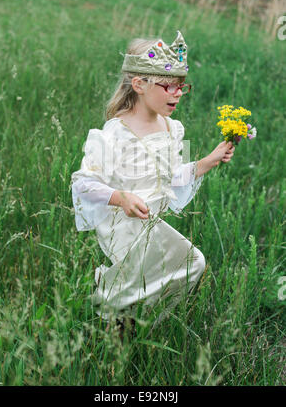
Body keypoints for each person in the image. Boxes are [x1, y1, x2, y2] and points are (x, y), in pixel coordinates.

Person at [71, 30, 235, 338]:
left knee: (152, 277)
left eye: (182, 87)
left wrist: (209, 160)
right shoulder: (115, 132)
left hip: (152, 218)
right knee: (192, 262)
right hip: (123, 222)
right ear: (139, 85)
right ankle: (111, 320)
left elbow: (173, 176)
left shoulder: (173, 128)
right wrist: (121, 197)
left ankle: (126, 321)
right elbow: (83, 183)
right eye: (168, 86)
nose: (176, 94)